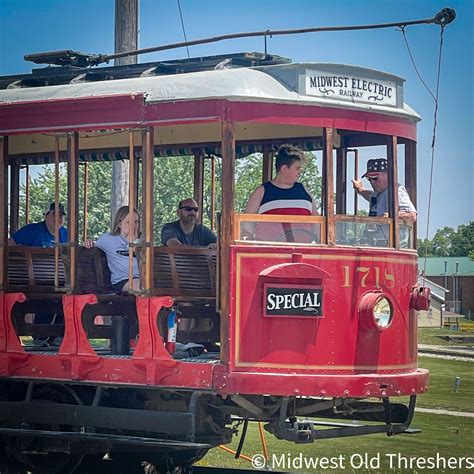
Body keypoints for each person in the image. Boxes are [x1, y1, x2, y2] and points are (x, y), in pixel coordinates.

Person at [10, 202, 67, 347]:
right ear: (46, 215)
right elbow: (9, 245)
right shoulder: (32, 230)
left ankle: (56, 335)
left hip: (59, 279)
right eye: (54, 214)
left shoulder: (65, 233)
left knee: (68, 293)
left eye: (61, 215)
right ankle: (40, 335)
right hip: (32, 281)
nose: (58, 218)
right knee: (48, 295)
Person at [244, 144, 318, 242]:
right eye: (297, 168)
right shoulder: (261, 192)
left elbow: (317, 223)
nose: (300, 172)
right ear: (284, 168)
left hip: (303, 252)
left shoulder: (305, 191)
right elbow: (246, 226)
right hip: (270, 254)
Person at [83, 206, 140, 293]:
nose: (134, 225)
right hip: (123, 280)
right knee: (143, 288)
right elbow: (94, 244)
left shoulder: (141, 241)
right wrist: (89, 242)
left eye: (136, 222)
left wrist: (134, 242)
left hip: (142, 278)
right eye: (129, 222)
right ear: (120, 223)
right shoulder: (109, 239)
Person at [351, 158, 417, 222]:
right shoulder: (377, 193)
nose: (372, 182)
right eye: (369, 179)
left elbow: (412, 215)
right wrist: (359, 189)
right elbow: (370, 196)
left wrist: (390, 216)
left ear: (387, 176)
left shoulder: (396, 191)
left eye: (375, 178)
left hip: (389, 233)